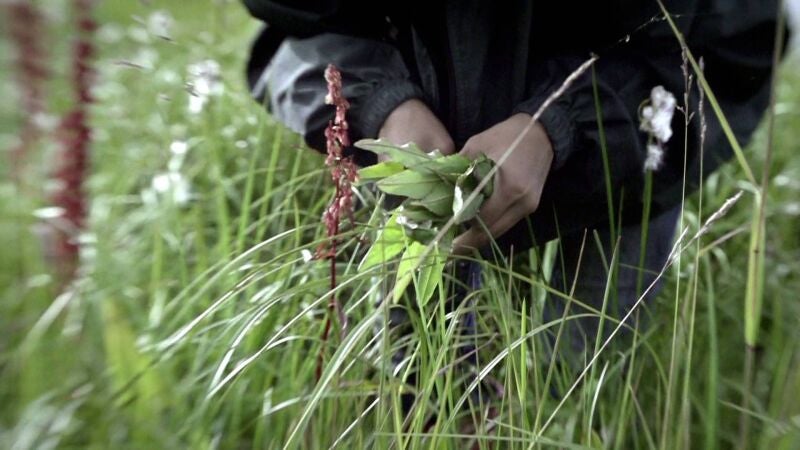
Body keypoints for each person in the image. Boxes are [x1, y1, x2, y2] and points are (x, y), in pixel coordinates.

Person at [241, 1, 784, 354]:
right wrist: (384, 103)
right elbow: (299, 21)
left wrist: (562, 123)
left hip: (625, 153)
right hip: (418, 152)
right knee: (422, 373)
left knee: (579, 372)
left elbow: (727, 46)